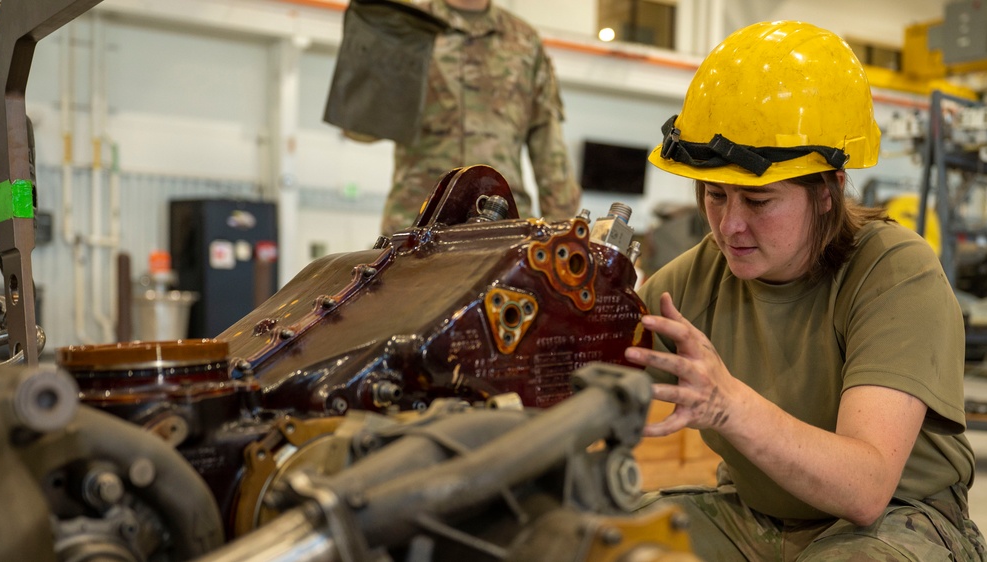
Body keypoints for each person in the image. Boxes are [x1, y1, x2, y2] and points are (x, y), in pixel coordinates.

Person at [627, 20, 986, 561]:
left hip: (900, 521)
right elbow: (592, 379)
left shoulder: (894, 272)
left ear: (828, 192)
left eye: (759, 201)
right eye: (715, 195)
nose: (729, 227)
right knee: (600, 538)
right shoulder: (694, 278)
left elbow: (865, 489)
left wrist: (727, 405)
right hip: (753, 517)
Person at [379, 0, 582, 235]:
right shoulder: (407, 25)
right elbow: (363, 127)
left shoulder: (524, 41)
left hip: (501, 221)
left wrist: (561, 231)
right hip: (418, 217)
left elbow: (547, 141)